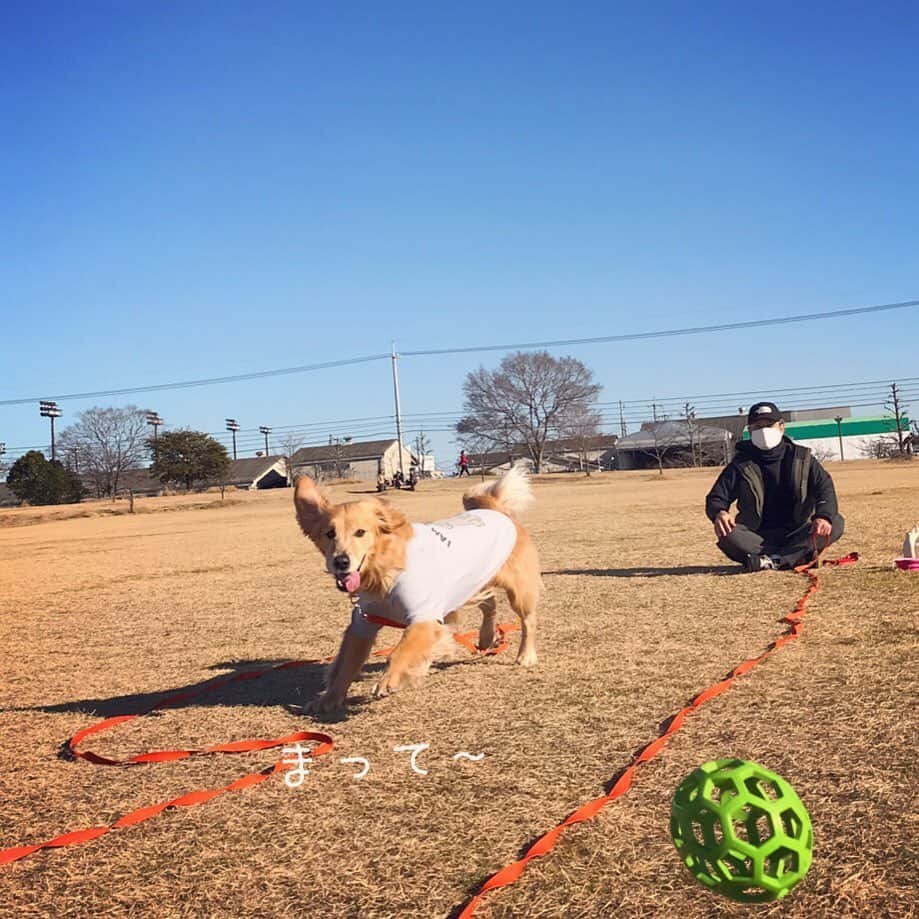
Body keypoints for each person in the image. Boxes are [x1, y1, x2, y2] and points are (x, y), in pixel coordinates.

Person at [705, 401, 845, 571]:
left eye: (769, 425)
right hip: (757, 536)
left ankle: (772, 561)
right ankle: (795, 557)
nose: (763, 431)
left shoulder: (802, 458)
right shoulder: (740, 463)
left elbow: (825, 489)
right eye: (757, 427)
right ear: (749, 431)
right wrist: (719, 512)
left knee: (835, 521)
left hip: (799, 531)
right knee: (727, 532)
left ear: (781, 427)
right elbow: (716, 497)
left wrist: (823, 516)